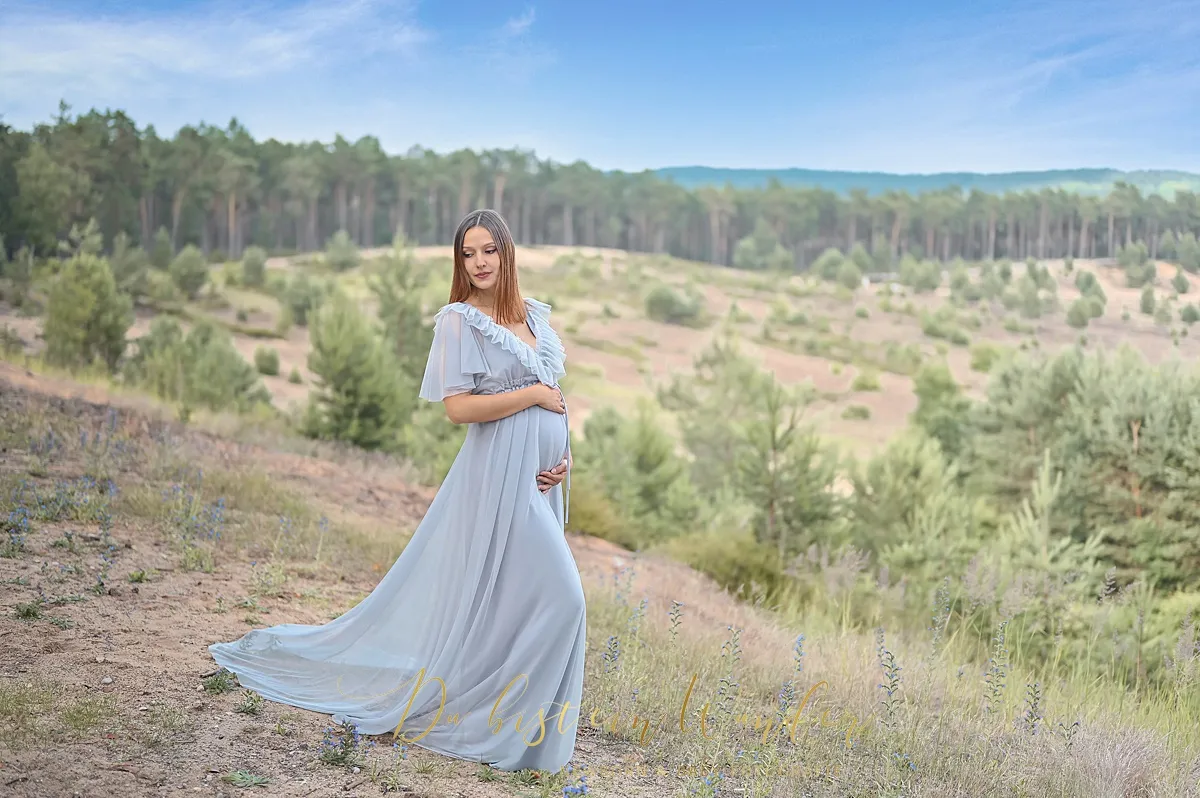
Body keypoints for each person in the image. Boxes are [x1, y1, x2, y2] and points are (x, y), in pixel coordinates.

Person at [207, 208, 587, 774]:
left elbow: (555, 397)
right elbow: (459, 408)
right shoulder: (459, 321)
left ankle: (513, 719)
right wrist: (531, 397)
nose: (479, 262)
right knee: (566, 599)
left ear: (508, 254)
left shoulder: (534, 316)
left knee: (516, 600)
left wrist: (561, 457)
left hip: (538, 480)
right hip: (496, 478)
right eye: (468, 253)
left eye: (489, 251)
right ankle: (491, 721)